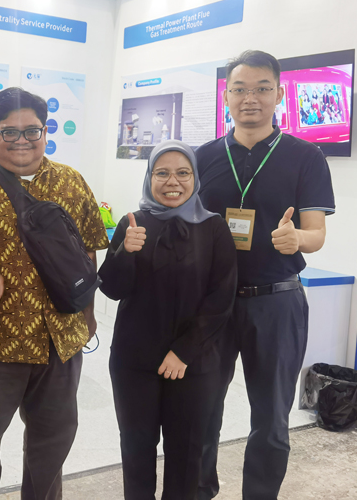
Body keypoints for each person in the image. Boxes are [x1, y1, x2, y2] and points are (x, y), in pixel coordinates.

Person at [0, 87, 109, 500]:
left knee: (53, 441)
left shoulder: (71, 182)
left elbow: (88, 251)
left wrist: (87, 311)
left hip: (60, 339)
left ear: (45, 132)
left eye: (32, 131)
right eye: (9, 132)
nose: (22, 141)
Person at [196, 50, 334, 500]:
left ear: (279, 94)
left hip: (276, 301)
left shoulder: (305, 156)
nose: (249, 98)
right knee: (200, 411)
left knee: (271, 419)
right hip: (212, 303)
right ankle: (198, 490)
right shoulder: (203, 157)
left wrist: (298, 239)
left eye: (261, 88)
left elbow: (317, 233)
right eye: (239, 89)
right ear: (226, 96)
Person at [99, 140, 237, 500]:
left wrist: (184, 351)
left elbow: (221, 299)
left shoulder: (214, 229)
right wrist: (125, 252)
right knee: (136, 449)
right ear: (150, 178)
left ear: (195, 178)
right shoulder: (133, 224)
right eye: (162, 173)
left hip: (192, 363)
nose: (172, 181)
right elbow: (112, 288)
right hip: (135, 361)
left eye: (182, 173)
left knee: (187, 453)